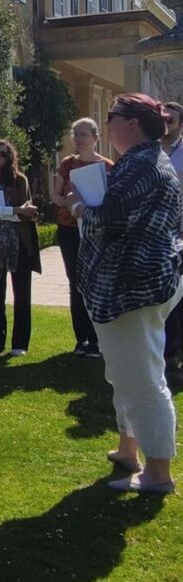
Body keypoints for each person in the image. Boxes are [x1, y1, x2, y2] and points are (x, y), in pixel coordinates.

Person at [67, 93, 183, 494]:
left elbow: (111, 219)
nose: (107, 122)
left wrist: (80, 208)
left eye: (112, 116)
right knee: (122, 373)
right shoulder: (145, 161)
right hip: (131, 283)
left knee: (143, 377)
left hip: (134, 285)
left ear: (132, 123)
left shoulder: (141, 165)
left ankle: (158, 472)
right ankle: (128, 449)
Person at [0, 138, 42, 357]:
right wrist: (15, 212)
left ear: (9, 158)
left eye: (3, 154)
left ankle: (20, 343)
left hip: (19, 242)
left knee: (22, 294)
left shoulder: (19, 180)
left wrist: (18, 211)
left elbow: (27, 209)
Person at [50, 118, 113, 358]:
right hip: (69, 229)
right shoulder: (68, 164)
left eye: (83, 134)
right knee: (75, 282)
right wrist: (68, 200)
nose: (78, 138)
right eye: (75, 133)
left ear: (96, 137)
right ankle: (82, 339)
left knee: (96, 281)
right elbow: (55, 196)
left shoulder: (108, 166)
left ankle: (98, 340)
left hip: (96, 230)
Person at [160, 101, 183, 381]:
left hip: (180, 232)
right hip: (159, 234)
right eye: (163, 119)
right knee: (167, 298)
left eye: (171, 120)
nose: (166, 124)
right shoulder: (153, 152)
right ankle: (167, 353)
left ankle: (175, 355)